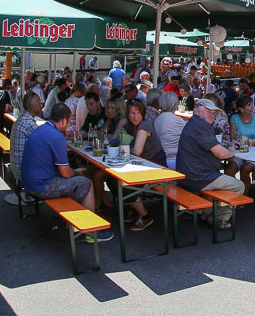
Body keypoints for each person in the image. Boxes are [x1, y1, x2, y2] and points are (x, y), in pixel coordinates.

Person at [21, 104, 112, 242]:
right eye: (68, 121)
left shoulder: (41, 129)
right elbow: (65, 173)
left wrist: (74, 172)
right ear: (64, 120)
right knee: (86, 183)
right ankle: (91, 231)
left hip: (28, 182)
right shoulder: (57, 136)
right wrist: (77, 173)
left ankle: (77, 219)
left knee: (77, 180)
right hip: (40, 186)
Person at [176, 99, 244, 230]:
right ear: (197, 111)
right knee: (238, 186)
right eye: (208, 112)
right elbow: (220, 154)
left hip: (191, 173)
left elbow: (210, 145)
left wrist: (225, 146)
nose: (212, 115)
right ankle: (219, 219)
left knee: (221, 181)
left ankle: (207, 212)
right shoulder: (200, 126)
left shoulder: (195, 123)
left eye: (213, 113)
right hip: (198, 176)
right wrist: (231, 151)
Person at [123, 100, 166, 231]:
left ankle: (146, 217)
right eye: (131, 113)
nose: (135, 116)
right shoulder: (131, 126)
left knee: (126, 187)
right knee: (114, 180)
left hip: (155, 166)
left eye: (138, 113)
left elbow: (137, 151)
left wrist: (122, 149)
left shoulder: (144, 126)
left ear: (143, 114)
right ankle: (134, 208)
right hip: (143, 164)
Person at [10, 91, 43, 189]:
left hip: (17, 166)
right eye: (39, 103)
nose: (41, 105)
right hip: (23, 171)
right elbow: (43, 143)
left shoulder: (23, 119)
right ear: (32, 107)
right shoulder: (28, 123)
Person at [155, 92, 186, 170]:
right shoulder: (178, 120)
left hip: (160, 158)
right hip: (175, 160)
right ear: (175, 104)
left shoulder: (157, 119)